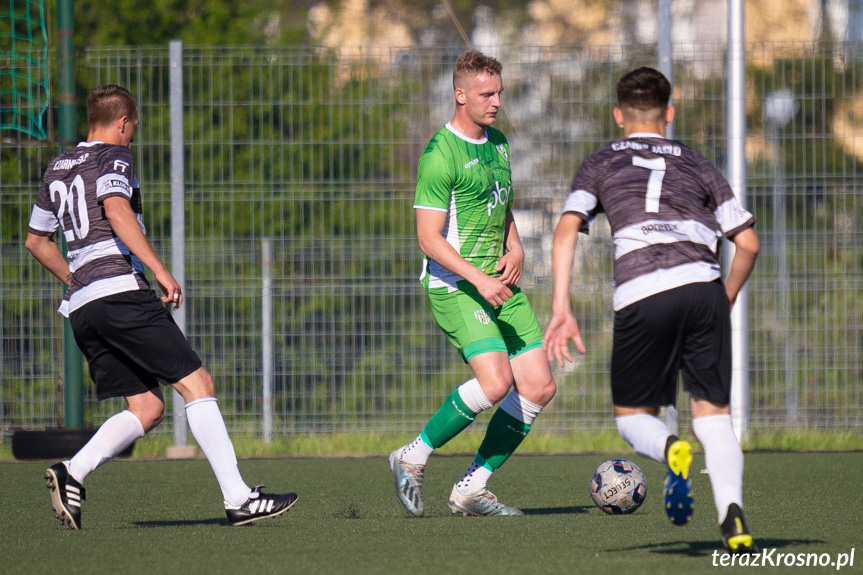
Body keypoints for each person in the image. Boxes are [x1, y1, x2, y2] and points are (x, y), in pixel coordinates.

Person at [26, 85, 298, 530]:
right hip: (120, 293)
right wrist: (159, 270)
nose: (133, 135)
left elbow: (36, 241)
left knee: (147, 408)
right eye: (133, 126)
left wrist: (76, 281)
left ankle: (71, 471)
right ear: (122, 122)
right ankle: (239, 498)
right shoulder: (114, 156)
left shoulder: (57, 166)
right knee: (198, 384)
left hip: (83, 308)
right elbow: (116, 210)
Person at [544, 67, 759, 553]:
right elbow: (747, 242)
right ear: (670, 114)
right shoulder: (698, 163)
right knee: (714, 417)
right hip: (703, 287)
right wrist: (722, 298)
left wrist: (562, 307)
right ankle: (732, 515)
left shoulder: (600, 162)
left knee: (631, 416)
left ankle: (669, 450)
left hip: (644, 292)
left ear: (619, 115)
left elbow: (565, 229)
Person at [388, 50, 556, 517]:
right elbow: (427, 238)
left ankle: (471, 487)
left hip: (498, 283)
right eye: (486, 94)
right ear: (460, 94)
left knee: (539, 386)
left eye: (499, 92)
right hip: (457, 285)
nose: (496, 102)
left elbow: (500, 208)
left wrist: (517, 247)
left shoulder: (499, 144)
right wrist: (478, 278)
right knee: (498, 381)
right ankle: (413, 455)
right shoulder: (439, 155)